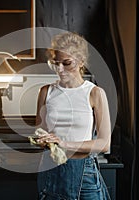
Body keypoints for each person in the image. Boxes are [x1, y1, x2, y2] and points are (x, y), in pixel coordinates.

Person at [35, 32, 112, 200]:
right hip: (50, 169)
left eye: (67, 63)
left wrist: (63, 143)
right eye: (56, 63)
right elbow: (40, 131)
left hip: (84, 171)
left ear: (81, 62)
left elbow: (104, 144)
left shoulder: (94, 93)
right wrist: (42, 139)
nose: (60, 69)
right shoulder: (45, 92)